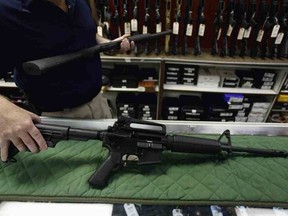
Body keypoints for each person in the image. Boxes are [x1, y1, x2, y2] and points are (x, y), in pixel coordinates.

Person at [0, 0, 134, 162]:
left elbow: (86, 33)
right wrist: (4, 112)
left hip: (99, 105)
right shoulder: (6, 11)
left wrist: (107, 44)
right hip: (52, 123)